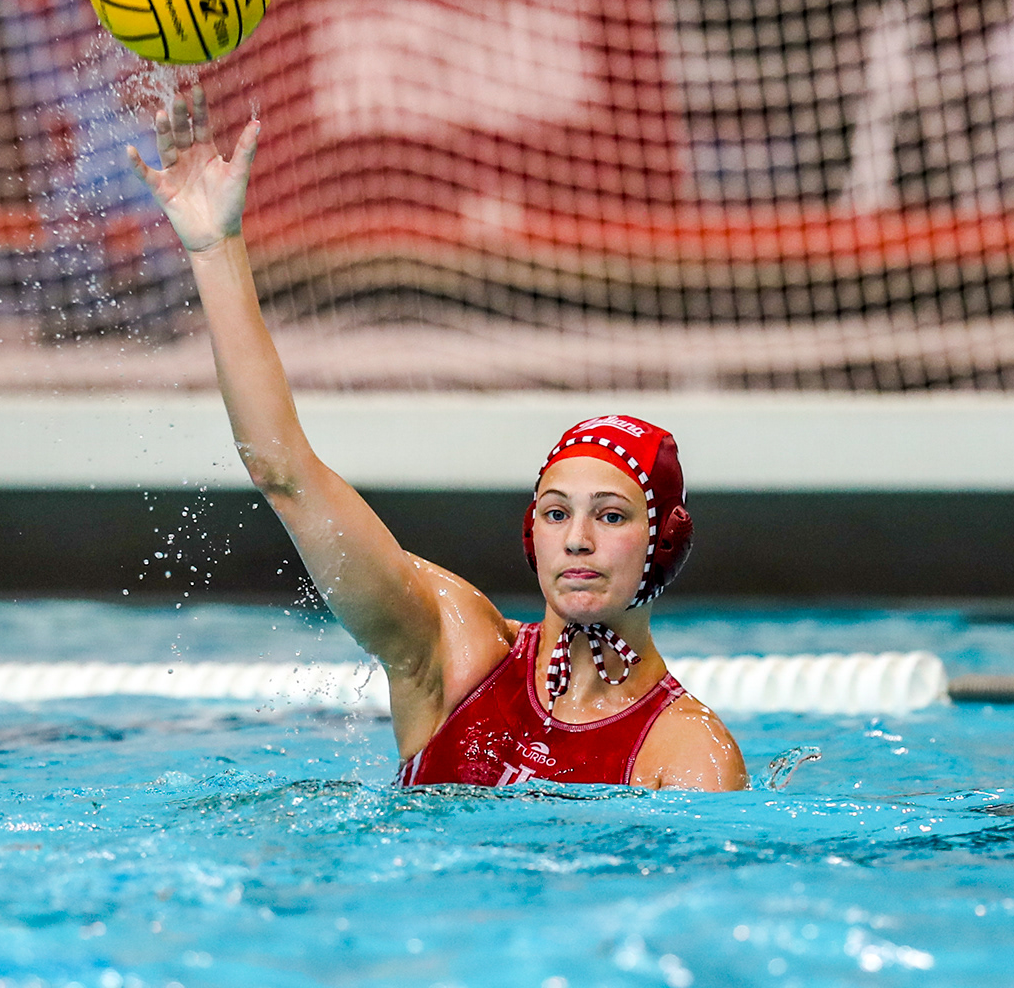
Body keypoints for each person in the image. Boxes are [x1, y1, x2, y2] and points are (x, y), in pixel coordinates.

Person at [129, 87, 747, 791]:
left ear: (662, 543)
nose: (577, 539)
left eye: (610, 515)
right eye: (556, 513)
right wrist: (215, 248)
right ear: (532, 533)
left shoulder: (686, 756)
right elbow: (284, 474)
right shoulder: (453, 653)